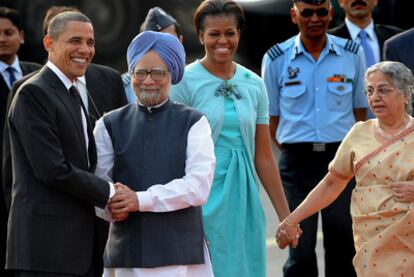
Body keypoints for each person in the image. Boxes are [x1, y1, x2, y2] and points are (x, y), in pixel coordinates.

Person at [1, 7, 127, 275]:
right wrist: (111, 192)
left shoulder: (70, 92)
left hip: (78, 247)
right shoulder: (33, 93)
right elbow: (52, 169)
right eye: (75, 41)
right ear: (49, 43)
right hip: (45, 248)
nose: (85, 49)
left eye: (90, 42)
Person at [171, 1, 291, 276]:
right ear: (200, 36)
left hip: (245, 196)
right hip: (203, 193)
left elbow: (263, 155)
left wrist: (285, 215)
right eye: (214, 34)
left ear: (239, 34)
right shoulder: (184, 82)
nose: (222, 41)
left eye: (230, 33)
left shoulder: (254, 83)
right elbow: (175, 150)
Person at [93, 30, 215, 276]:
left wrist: (140, 199)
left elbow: (198, 186)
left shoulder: (194, 122)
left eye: (158, 72)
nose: (148, 80)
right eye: (140, 72)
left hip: (180, 253)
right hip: (126, 251)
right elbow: (98, 183)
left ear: (172, 75)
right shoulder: (108, 124)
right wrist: (111, 203)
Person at [277, 61, 414, 277]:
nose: (375, 97)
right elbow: (331, 184)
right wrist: (292, 219)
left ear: (405, 95)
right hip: (371, 242)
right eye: (369, 90)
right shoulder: (359, 133)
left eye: (383, 90)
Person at [261, 0, 368, 276]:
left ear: (331, 14)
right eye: (307, 12)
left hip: (340, 159)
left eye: (321, 12)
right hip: (297, 163)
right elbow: (270, 117)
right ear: (294, 15)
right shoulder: (276, 58)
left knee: (343, 246)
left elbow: (359, 111)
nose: (315, 19)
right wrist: (295, 146)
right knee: (300, 247)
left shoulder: (351, 54)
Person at [0, 7, 41, 276]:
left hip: (30, 176)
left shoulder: (37, 74)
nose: (2, 38)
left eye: (8, 32)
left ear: (22, 37)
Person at [329, 0, 402, 118]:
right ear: (340, 2)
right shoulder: (327, 43)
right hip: (345, 127)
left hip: (393, 125)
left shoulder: (397, 39)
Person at [122, 6, 183, 103]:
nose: (149, 82)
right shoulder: (124, 86)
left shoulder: (192, 80)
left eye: (167, 43)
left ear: (180, 42)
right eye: (151, 45)